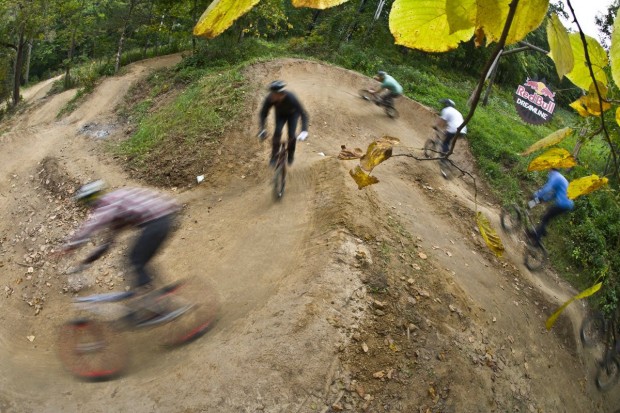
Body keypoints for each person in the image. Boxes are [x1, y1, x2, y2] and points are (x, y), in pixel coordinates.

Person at [60, 180, 181, 291]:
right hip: (166, 218)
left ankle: (151, 300)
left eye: (86, 202)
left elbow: (89, 228)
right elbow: (107, 244)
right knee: (142, 261)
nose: (87, 205)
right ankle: (164, 292)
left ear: (89, 199)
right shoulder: (117, 205)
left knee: (134, 260)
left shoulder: (106, 205)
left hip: (156, 222)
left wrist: (70, 246)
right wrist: (86, 262)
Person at [258, 80, 309, 167]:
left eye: (274, 95)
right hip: (280, 114)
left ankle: (291, 155)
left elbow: (303, 114)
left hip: (293, 115)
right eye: (271, 94)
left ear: (281, 94)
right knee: (277, 132)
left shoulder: (291, 98)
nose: (271, 96)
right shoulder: (270, 98)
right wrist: (262, 129)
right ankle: (274, 156)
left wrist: (304, 130)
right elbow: (263, 113)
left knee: (291, 135)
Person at [528, 168, 574, 244]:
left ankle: (537, 240)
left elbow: (546, 189)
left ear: (551, 169)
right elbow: (553, 195)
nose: (548, 171)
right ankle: (538, 232)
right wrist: (541, 199)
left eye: (549, 169)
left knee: (545, 217)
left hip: (563, 204)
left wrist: (536, 195)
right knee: (546, 217)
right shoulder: (559, 177)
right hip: (567, 205)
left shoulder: (555, 177)